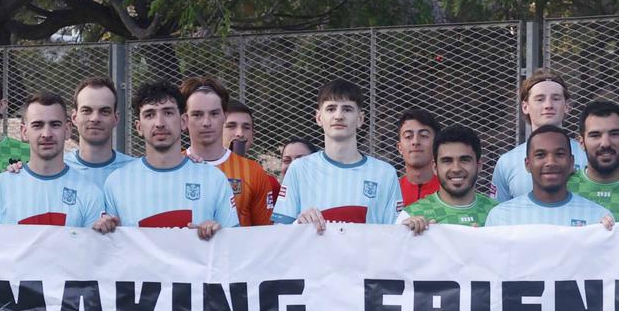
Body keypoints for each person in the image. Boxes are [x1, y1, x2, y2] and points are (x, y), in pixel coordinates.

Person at [101, 83, 238, 237]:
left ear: (183, 121)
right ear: (139, 127)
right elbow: (109, 249)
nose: (159, 123)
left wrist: (218, 234)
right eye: (149, 115)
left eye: (168, 113)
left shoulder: (214, 179)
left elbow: (232, 247)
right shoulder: (117, 182)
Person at [274, 80, 402, 229]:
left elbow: (396, 235)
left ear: (360, 119)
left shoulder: (385, 173)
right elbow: (279, 232)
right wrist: (299, 224)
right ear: (319, 117)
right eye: (331, 109)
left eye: (347, 109)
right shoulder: (299, 169)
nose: (338, 116)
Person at [0, 94, 112, 229]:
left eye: (55, 125)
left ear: (67, 130)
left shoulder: (89, 191)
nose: (46, 134)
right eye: (37, 125)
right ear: (24, 131)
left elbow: (92, 248)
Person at [183, 76, 278, 226]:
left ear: (224, 117)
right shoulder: (172, 167)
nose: (206, 122)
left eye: (214, 114)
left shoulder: (253, 171)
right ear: (184, 120)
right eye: (197, 114)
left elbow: (265, 235)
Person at [486, 126, 615, 227]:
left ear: (571, 163)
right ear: (527, 164)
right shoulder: (501, 217)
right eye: (540, 155)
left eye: (559, 154)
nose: (551, 162)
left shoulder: (598, 217)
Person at [492, 70, 587, 201]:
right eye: (540, 99)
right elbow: (498, 213)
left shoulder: (587, 155)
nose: (548, 105)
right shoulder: (506, 162)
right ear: (525, 107)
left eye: (556, 98)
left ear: (567, 106)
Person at [399, 127, 497, 230]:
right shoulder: (410, 216)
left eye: (465, 160)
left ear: (479, 165)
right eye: (447, 161)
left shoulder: (499, 213)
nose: (456, 169)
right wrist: (406, 234)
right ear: (435, 167)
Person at [64, 76, 136, 193]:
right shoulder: (56, 168)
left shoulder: (135, 171)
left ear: (116, 118)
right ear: (74, 117)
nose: (95, 118)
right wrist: (22, 160)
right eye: (86, 111)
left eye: (104, 111)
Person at [397, 109, 443, 205]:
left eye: (423, 135)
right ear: (400, 147)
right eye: (408, 136)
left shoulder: (449, 191)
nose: (415, 142)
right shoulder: (391, 191)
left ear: (437, 145)